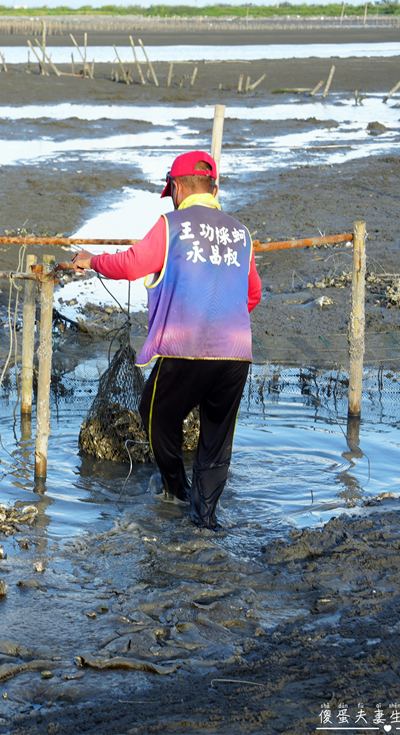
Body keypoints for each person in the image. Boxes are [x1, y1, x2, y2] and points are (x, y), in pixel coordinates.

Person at [64, 151, 261, 531]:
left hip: (185, 348)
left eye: (170, 189)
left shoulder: (171, 225)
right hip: (236, 355)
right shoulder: (240, 232)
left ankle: (175, 491)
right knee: (216, 441)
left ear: (177, 186)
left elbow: (132, 264)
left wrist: (92, 260)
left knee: (154, 415)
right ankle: (206, 522)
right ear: (214, 186)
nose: (170, 196)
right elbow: (252, 293)